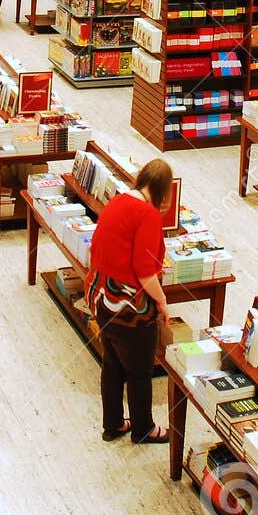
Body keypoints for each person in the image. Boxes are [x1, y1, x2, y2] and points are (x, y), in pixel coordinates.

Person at [87, 159, 174, 446]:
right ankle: (143, 428)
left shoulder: (118, 200)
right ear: (162, 190)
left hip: (102, 299)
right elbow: (145, 270)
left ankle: (112, 424)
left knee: (111, 364)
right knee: (139, 372)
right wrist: (162, 302)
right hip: (130, 308)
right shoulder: (147, 214)